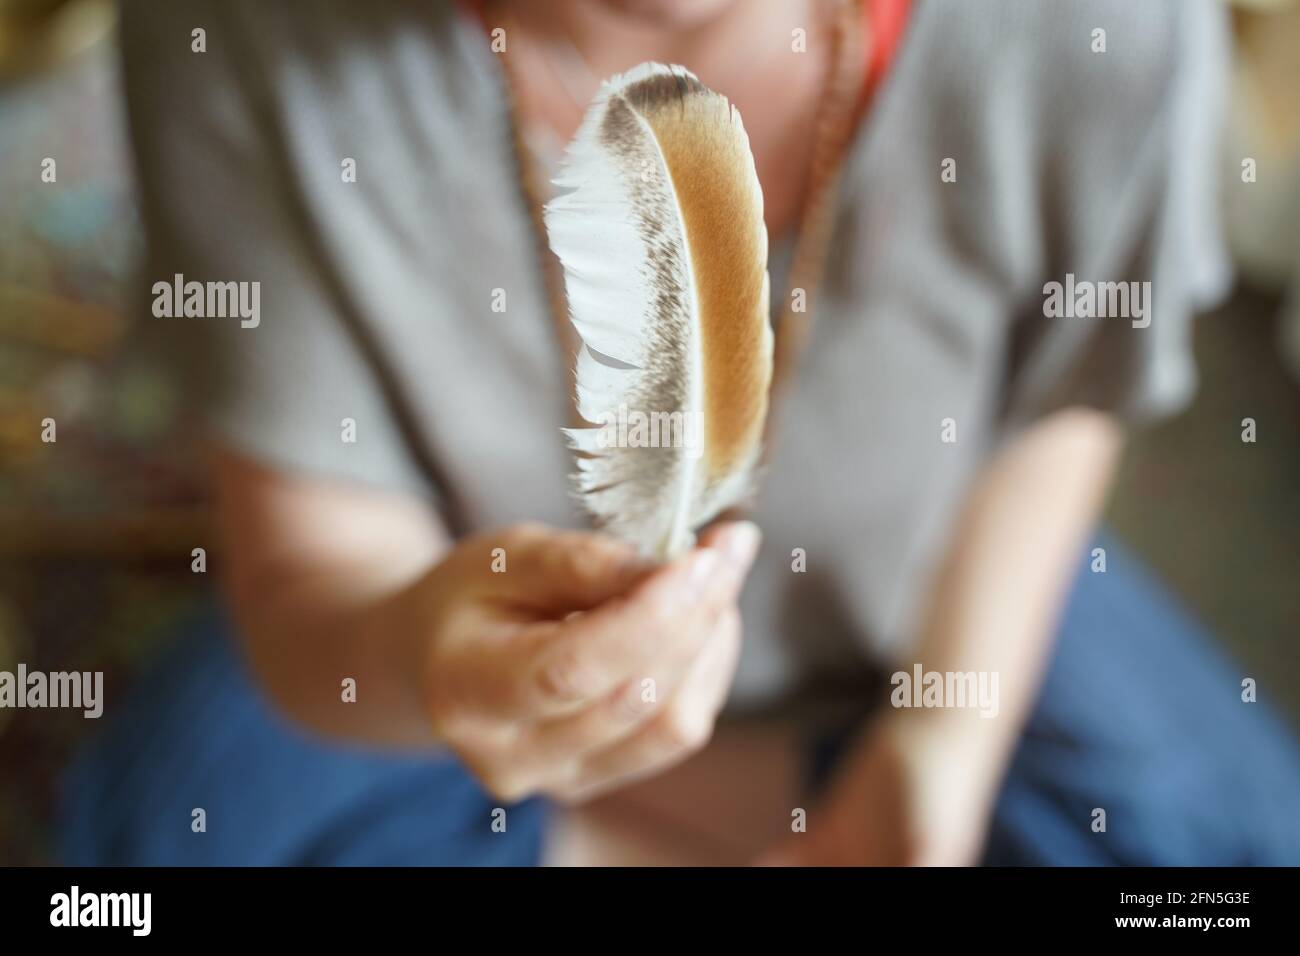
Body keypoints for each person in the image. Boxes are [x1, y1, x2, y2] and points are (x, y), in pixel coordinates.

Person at [60, 0, 1300, 865]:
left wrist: (943, 740)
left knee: (1219, 855)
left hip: (928, 586)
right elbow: (312, 577)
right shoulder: (241, 28)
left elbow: (1062, 396)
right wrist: (430, 662)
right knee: (128, 872)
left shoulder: (1109, 22)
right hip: (437, 593)